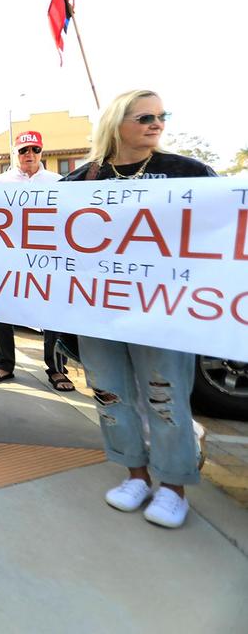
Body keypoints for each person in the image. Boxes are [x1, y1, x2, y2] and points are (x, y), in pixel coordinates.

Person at [62, 89, 215, 529]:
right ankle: (135, 475)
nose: (157, 123)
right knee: (110, 395)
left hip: (162, 312)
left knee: (166, 397)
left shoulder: (189, 173)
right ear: (116, 122)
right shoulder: (80, 182)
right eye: (145, 117)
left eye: (162, 115)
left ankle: (173, 487)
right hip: (98, 311)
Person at [0, 130, 72, 390]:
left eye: (34, 149)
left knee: (53, 312)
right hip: (10, 257)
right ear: (16, 153)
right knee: (2, 309)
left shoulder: (59, 182)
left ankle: (57, 369)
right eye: (23, 150)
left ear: (41, 151)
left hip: (47, 257)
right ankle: (3, 364)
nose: (29, 154)